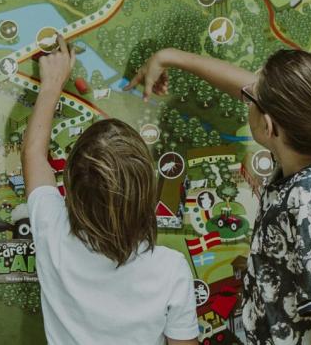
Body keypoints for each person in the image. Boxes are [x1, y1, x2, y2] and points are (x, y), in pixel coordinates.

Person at [132, 48, 311, 345]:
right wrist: (170, 57)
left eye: (251, 98)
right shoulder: (300, 159)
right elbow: (269, 97)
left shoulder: (310, 199)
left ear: (269, 126)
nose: (245, 96)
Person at [22, 45, 200, 345]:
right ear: (146, 195)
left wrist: (52, 84)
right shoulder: (171, 269)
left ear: (73, 191)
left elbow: (32, 155)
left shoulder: (51, 232)